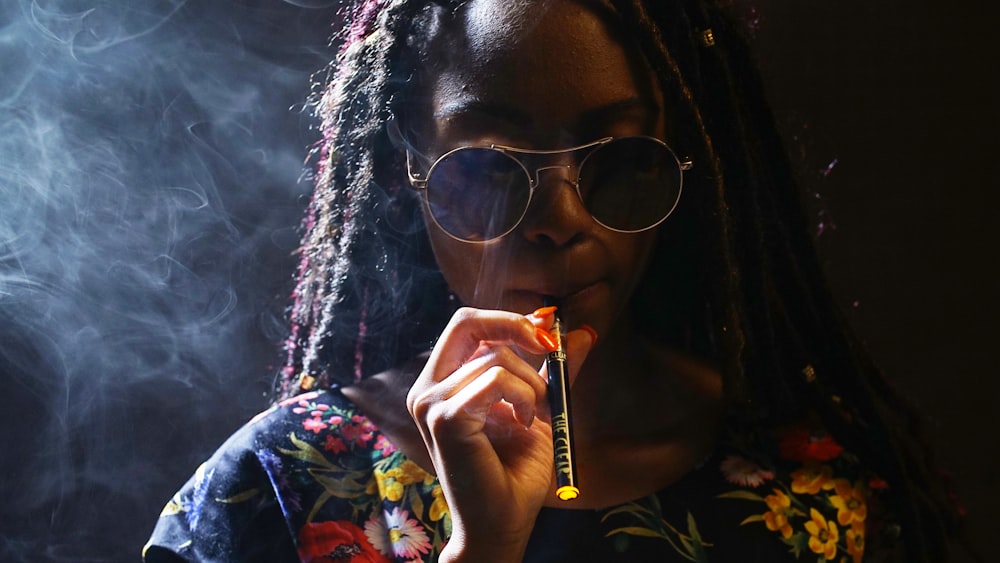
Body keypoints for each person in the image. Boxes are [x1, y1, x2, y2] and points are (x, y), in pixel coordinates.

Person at [143, 0, 966, 561]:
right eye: (490, 166)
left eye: (618, 160)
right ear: (405, 174)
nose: (560, 218)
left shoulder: (820, 490)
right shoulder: (279, 487)